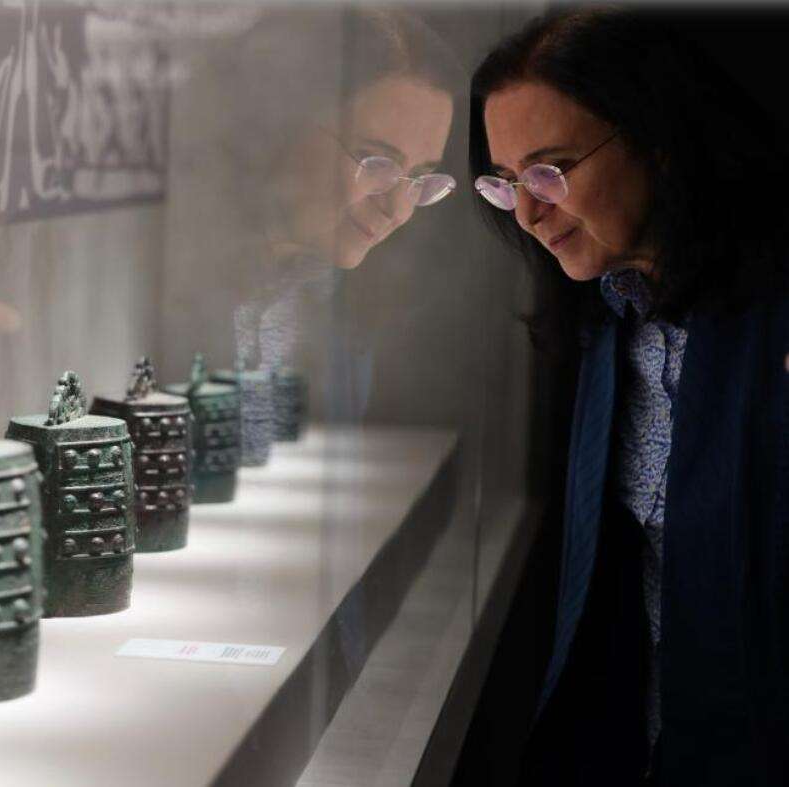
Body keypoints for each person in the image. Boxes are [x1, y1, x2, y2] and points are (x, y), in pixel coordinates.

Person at [469, 7, 789, 785]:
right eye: (507, 182)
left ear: (659, 141)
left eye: (550, 169)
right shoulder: (608, 318)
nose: (528, 212)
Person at [234, 7, 459, 417]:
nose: (397, 209)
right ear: (282, 125)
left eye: (419, 177)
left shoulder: (348, 307)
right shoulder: (183, 281)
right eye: (375, 160)